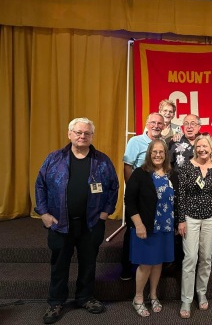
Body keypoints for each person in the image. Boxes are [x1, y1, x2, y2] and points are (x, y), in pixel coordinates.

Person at [35, 117, 119, 324]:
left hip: (91, 224)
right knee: (59, 264)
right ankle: (56, 302)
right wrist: (44, 214)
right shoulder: (54, 159)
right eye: (78, 132)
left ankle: (85, 297)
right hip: (59, 223)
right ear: (69, 134)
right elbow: (40, 186)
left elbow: (113, 187)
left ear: (92, 136)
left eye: (87, 133)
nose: (82, 136)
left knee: (88, 263)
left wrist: (106, 212)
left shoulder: (102, 161)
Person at [125, 139, 178, 317]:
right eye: (154, 152)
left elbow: (177, 201)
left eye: (161, 152)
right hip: (146, 227)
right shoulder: (140, 173)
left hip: (166, 227)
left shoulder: (172, 174)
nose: (157, 155)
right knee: (146, 264)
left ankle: (153, 294)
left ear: (166, 154)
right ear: (149, 153)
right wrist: (138, 224)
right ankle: (138, 298)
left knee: (158, 263)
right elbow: (129, 201)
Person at [177, 134, 212, 319]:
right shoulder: (185, 167)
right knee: (190, 257)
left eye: (205, 146)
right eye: (199, 146)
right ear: (195, 148)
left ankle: (201, 292)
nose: (202, 149)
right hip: (190, 218)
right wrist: (181, 219)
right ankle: (186, 299)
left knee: (206, 258)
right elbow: (181, 195)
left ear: (211, 148)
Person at [120, 112, 165, 281]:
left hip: (156, 198)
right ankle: (127, 268)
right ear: (146, 123)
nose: (156, 125)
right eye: (153, 122)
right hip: (138, 194)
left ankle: (149, 266)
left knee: (151, 231)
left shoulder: (163, 143)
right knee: (132, 231)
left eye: (159, 123)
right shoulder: (135, 141)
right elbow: (127, 165)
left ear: (164, 126)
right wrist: (131, 189)